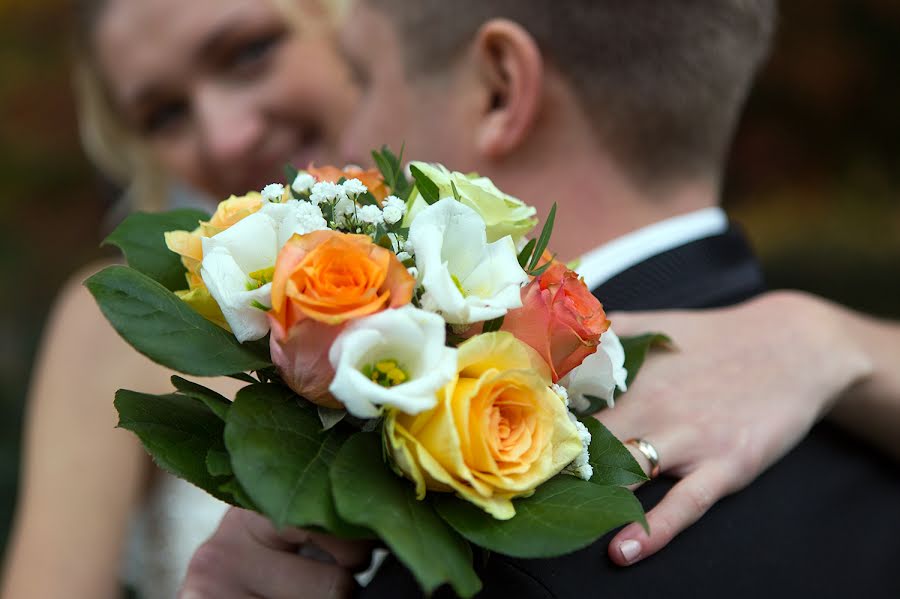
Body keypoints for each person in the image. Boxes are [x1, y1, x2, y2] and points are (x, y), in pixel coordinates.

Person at [180, 0, 900, 597]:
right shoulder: (867, 430)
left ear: (499, 88)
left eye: (364, 78)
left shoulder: (490, 554)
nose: (348, 135)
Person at [0, 1, 356, 598]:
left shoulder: (515, 274)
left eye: (248, 52)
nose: (225, 138)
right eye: (165, 114)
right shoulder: (117, 322)